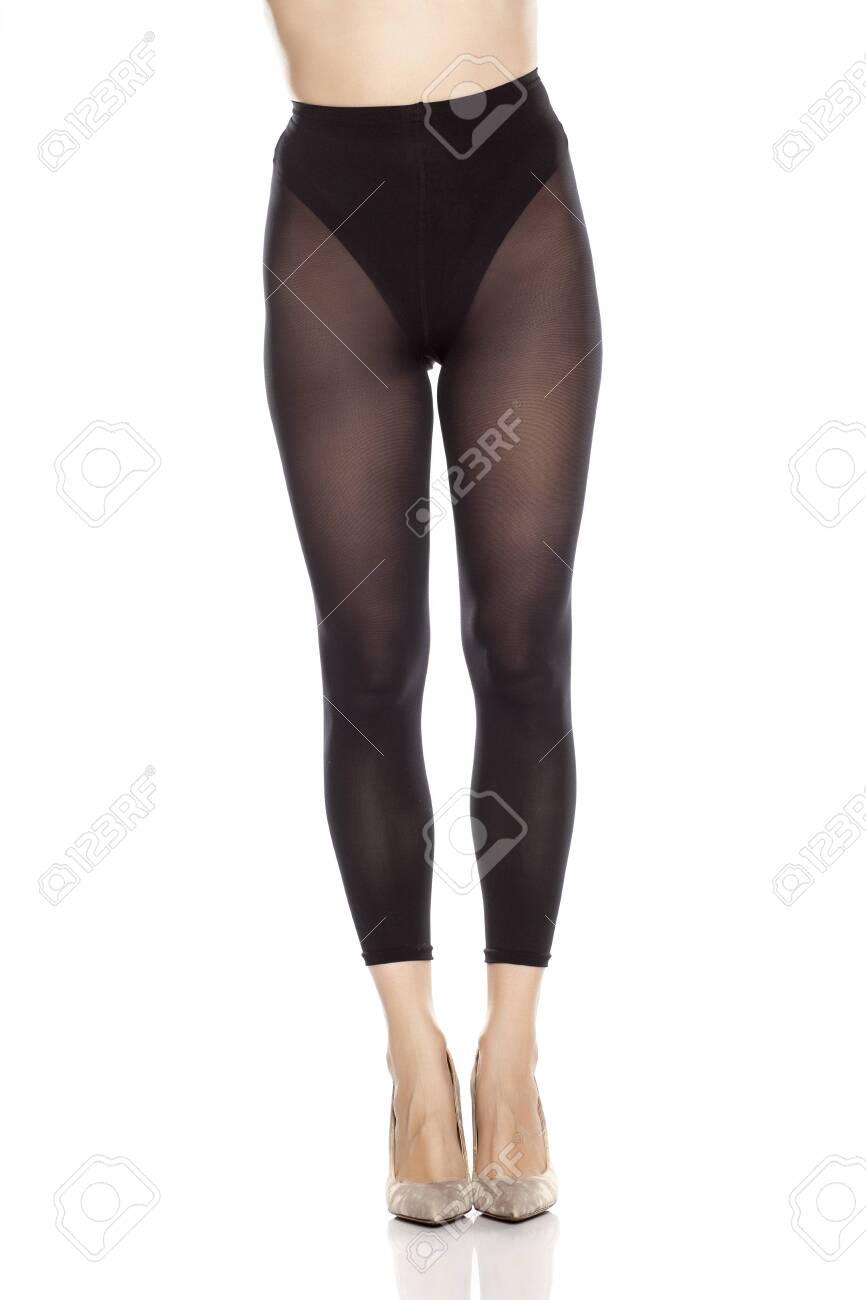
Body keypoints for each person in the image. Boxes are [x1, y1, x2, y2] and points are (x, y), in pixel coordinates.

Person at [263, 0, 601, 1223]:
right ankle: (413, 1059)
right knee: (367, 661)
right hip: (332, 208)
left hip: (512, 192)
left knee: (520, 645)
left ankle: (511, 1051)